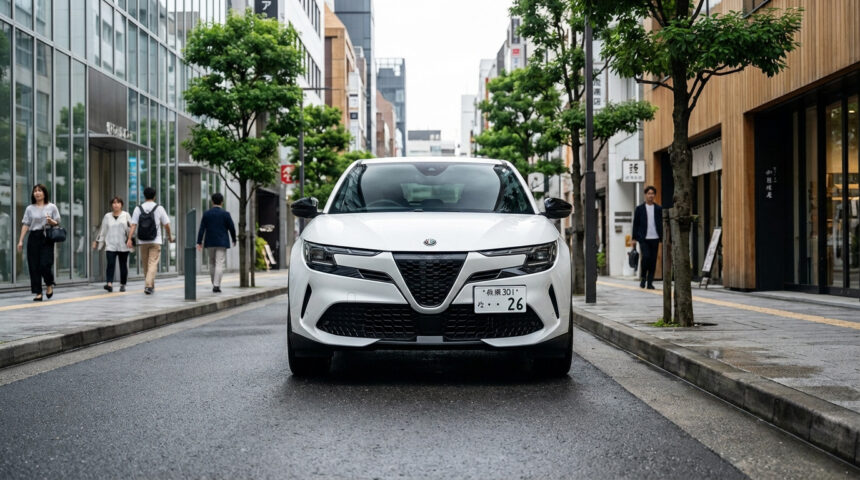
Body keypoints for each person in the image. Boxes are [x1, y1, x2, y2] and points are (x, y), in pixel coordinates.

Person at [17, 184, 61, 301]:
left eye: (39, 191)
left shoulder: (52, 207)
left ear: (44, 193)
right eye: (35, 191)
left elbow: (57, 222)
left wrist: (51, 221)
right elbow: (26, 224)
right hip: (33, 237)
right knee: (34, 266)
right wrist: (20, 240)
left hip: (46, 237)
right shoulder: (29, 208)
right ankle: (38, 292)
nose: (37, 193)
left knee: (45, 264)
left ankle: (49, 283)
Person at [127, 187, 173, 295]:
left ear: (144, 196)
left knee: (146, 265)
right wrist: (169, 236)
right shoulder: (159, 208)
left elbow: (133, 225)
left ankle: (150, 286)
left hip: (142, 241)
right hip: (155, 240)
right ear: (154, 196)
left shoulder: (138, 208)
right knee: (152, 264)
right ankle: (148, 285)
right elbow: (167, 224)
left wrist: (129, 238)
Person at [196, 192, 237, 293]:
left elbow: (202, 228)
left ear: (212, 201)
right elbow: (232, 227)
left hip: (210, 242)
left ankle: (214, 283)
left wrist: (199, 241)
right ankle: (216, 285)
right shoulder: (226, 214)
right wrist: (234, 239)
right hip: (222, 242)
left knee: (211, 262)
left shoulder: (207, 214)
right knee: (219, 263)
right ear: (222, 202)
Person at [92, 197, 132, 292]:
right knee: (110, 264)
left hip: (123, 245)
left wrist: (130, 239)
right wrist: (96, 241)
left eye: (118, 203)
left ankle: (123, 284)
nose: (116, 204)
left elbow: (131, 229)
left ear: (121, 204)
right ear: (111, 205)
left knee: (123, 265)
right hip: (110, 244)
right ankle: (109, 283)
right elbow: (102, 230)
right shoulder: (107, 216)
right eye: (114, 203)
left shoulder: (126, 215)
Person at [632, 185, 663, 290]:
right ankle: (643, 278)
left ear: (654, 195)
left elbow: (661, 223)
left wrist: (662, 236)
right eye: (649, 193)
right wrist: (634, 238)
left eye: (652, 193)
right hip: (643, 238)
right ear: (645, 195)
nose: (651, 195)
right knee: (646, 257)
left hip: (655, 237)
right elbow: (635, 224)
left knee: (653, 260)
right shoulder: (639, 209)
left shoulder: (659, 208)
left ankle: (650, 282)